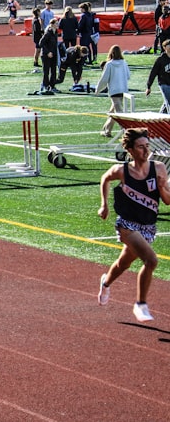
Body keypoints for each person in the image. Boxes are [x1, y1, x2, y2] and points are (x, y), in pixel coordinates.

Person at [97, 127, 170, 322]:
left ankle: (106, 282)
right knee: (151, 260)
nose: (146, 151)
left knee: (124, 263)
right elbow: (105, 178)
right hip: (127, 225)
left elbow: (168, 200)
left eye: (147, 146)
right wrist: (104, 205)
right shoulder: (122, 171)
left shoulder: (159, 169)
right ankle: (140, 304)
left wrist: (163, 187)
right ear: (130, 150)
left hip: (148, 226)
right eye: (140, 147)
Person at [96, 45, 130, 137]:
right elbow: (128, 75)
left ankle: (126, 132)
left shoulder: (109, 64)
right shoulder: (124, 62)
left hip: (114, 91)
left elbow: (104, 79)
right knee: (113, 111)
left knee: (118, 112)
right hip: (123, 90)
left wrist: (98, 90)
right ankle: (107, 130)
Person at [145, 40, 170, 113]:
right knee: (169, 102)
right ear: (164, 47)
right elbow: (153, 73)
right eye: (169, 45)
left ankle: (160, 117)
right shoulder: (160, 59)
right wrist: (148, 86)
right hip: (164, 83)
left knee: (166, 103)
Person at [38, 18, 60, 94]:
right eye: (56, 23)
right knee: (46, 71)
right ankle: (45, 85)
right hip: (46, 55)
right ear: (52, 24)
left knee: (53, 71)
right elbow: (41, 43)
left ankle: (52, 86)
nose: (57, 25)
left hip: (53, 54)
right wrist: (47, 52)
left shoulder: (55, 33)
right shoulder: (48, 33)